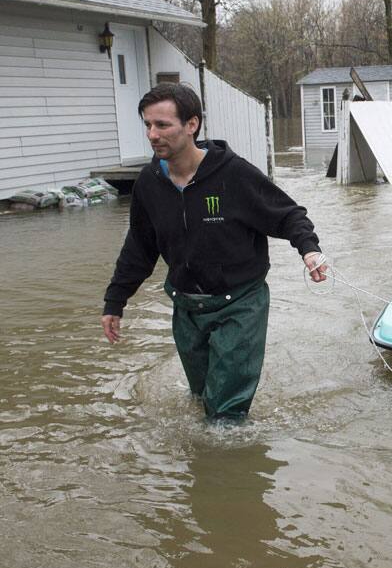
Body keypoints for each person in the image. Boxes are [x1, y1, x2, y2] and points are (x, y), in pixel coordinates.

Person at [100, 83, 327, 419]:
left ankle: (229, 467)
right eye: (147, 125)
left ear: (192, 124)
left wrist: (308, 250)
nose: (152, 134)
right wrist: (115, 301)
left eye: (162, 125)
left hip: (239, 305)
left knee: (224, 414)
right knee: (200, 397)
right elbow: (139, 246)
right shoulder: (149, 183)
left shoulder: (233, 174)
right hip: (186, 306)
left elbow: (288, 215)